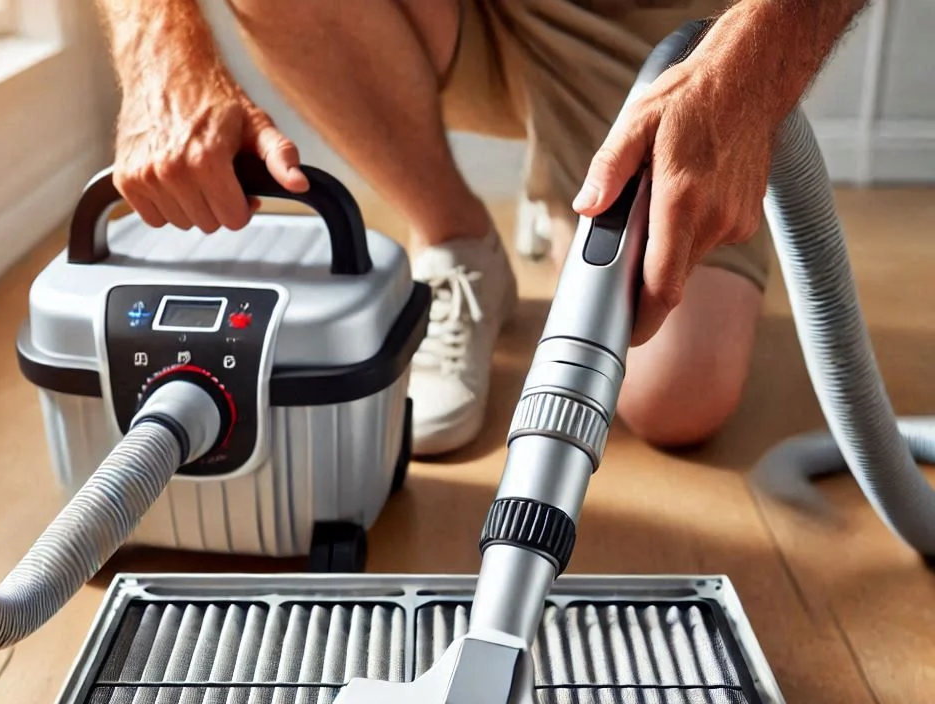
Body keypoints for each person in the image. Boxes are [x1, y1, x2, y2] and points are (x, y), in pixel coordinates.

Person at [94, 0, 867, 455]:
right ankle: (456, 238)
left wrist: (750, 74)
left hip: (655, 15)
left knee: (676, 399)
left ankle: (575, 174)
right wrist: (159, 54)